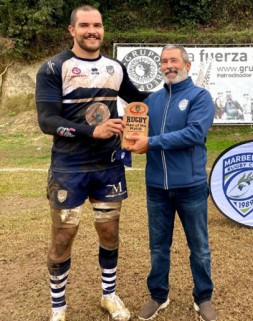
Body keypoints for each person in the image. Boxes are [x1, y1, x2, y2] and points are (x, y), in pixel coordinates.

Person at [35, 5, 148, 321]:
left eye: (96, 25)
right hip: (68, 168)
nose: (91, 31)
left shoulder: (115, 68)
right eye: (84, 25)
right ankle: (58, 309)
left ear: (103, 29)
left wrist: (180, 99)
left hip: (108, 164)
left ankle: (109, 296)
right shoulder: (53, 68)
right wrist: (92, 130)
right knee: (62, 236)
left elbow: (142, 101)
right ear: (72, 30)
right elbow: (47, 121)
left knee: (109, 232)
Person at [125, 44, 217, 321]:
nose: (168, 65)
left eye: (174, 60)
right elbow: (136, 131)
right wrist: (122, 132)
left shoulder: (200, 97)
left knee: (199, 247)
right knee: (158, 247)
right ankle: (158, 295)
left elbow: (193, 134)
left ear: (187, 65)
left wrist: (150, 143)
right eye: (164, 61)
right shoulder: (151, 101)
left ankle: (203, 298)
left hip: (190, 186)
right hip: (156, 187)